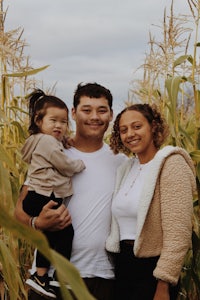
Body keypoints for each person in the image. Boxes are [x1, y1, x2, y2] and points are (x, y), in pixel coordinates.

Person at [14, 83, 127, 300]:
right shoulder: (51, 151)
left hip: (100, 277)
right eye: (86, 110)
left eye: (102, 110)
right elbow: (19, 211)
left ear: (111, 115)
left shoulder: (121, 163)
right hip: (51, 279)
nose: (94, 117)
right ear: (73, 113)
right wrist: (38, 223)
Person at [105, 103, 196, 300]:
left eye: (137, 127)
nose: (130, 134)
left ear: (153, 126)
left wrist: (163, 283)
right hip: (124, 265)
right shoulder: (127, 168)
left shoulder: (171, 164)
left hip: (153, 271)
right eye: (124, 130)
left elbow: (178, 233)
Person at [20, 89, 85, 299]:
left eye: (64, 122)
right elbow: (63, 164)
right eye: (53, 120)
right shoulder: (48, 142)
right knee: (66, 233)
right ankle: (59, 276)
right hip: (43, 195)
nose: (59, 125)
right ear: (39, 120)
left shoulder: (39, 140)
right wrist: (79, 165)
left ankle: (40, 276)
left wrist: (61, 142)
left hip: (36, 197)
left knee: (51, 235)